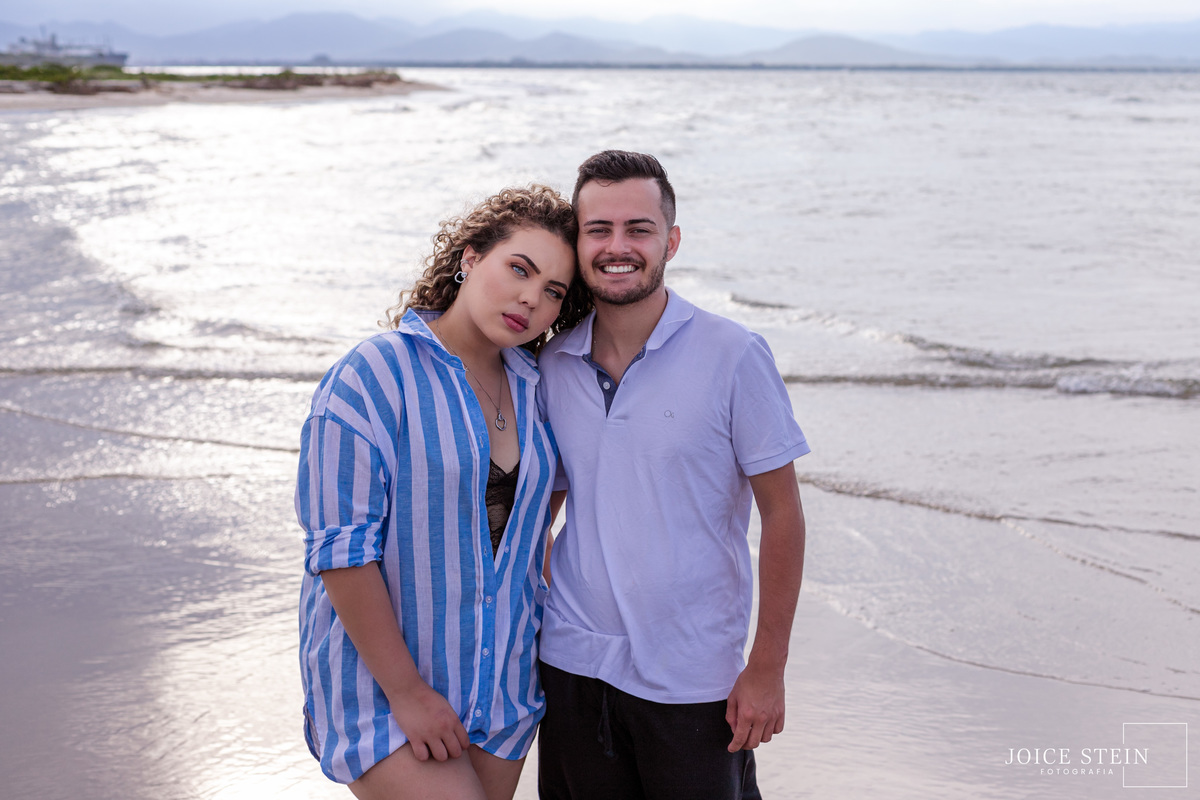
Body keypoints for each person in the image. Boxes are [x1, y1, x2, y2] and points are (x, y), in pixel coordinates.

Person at [295, 185, 590, 800]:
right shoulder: (374, 375)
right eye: (519, 269)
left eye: (554, 292)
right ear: (469, 257)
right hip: (383, 691)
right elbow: (340, 551)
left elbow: (533, 523)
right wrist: (408, 695)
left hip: (501, 689)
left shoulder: (539, 390)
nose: (531, 298)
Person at [536, 151, 810, 799]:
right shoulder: (551, 364)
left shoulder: (734, 355)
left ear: (672, 240)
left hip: (691, 674)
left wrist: (767, 667)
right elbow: (537, 511)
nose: (617, 246)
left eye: (639, 228)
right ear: (577, 244)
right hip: (571, 667)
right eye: (598, 229)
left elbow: (784, 516)